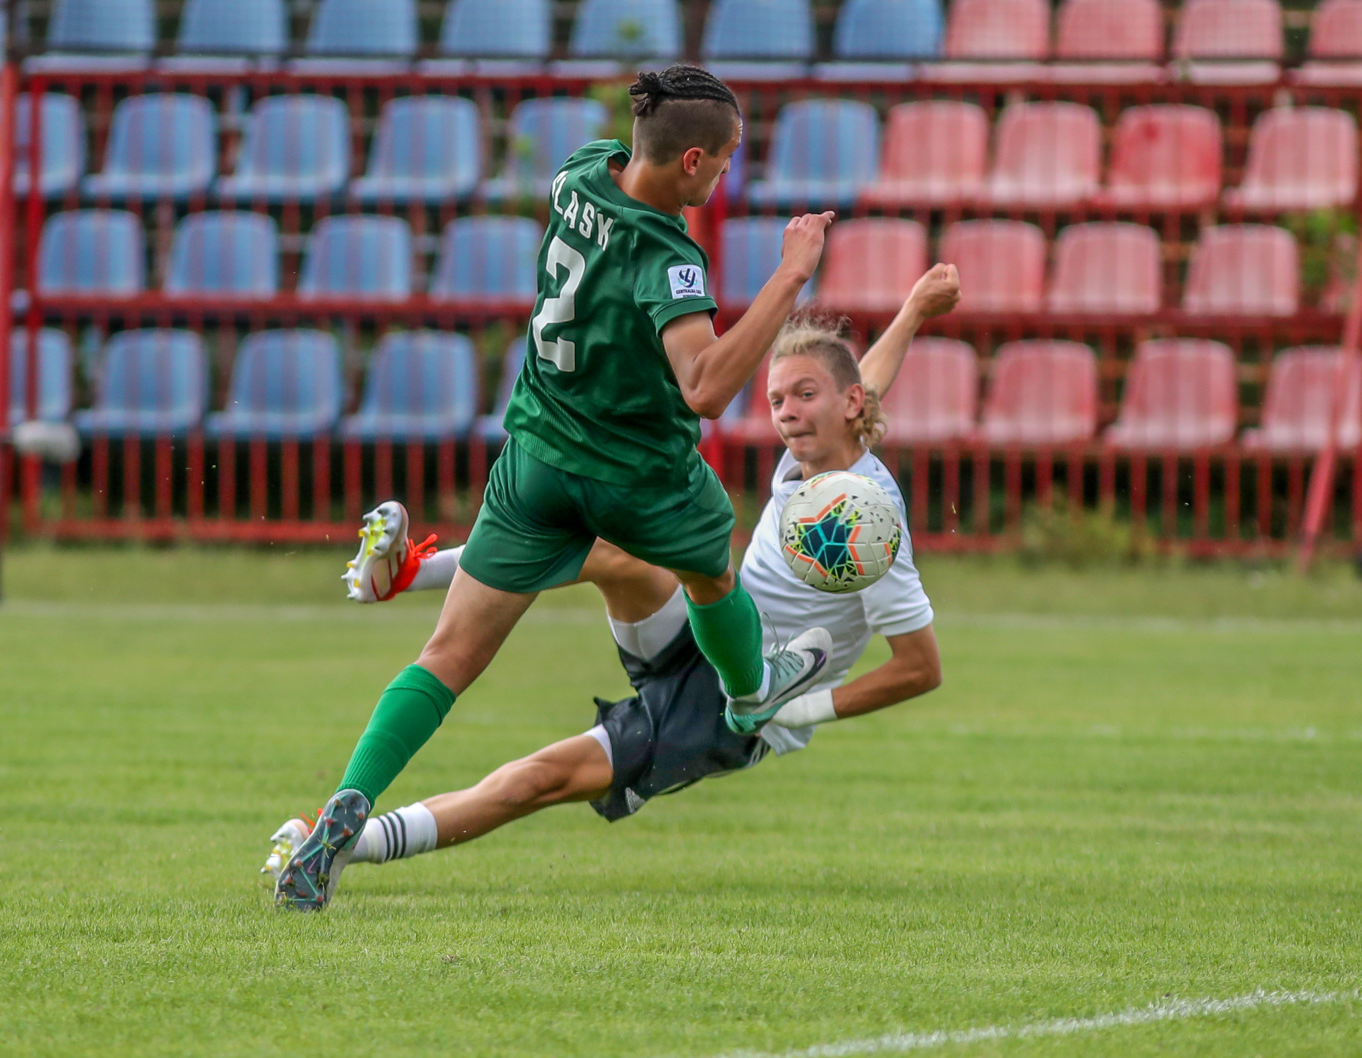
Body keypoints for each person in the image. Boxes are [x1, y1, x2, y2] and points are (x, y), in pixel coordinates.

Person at [275, 65, 840, 910]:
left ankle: (348, 807)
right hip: (634, 472)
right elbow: (707, 387)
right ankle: (752, 692)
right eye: (720, 165)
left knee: (448, 657)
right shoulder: (667, 252)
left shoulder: (579, 170)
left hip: (536, 458)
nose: (722, 179)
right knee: (713, 570)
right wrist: (791, 275)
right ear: (690, 162)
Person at [265, 266, 961, 886]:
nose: (785, 413)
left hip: (730, 713)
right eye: (776, 400)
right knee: (605, 545)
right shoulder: (821, 458)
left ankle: (343, 842)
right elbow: (863, 377)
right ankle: (408, 574)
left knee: (536, 780)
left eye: (801, 396)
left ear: (848, 406)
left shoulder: (872, 529)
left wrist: (805, 708)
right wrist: (913, 312)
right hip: (710, 626)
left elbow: (920, 668)